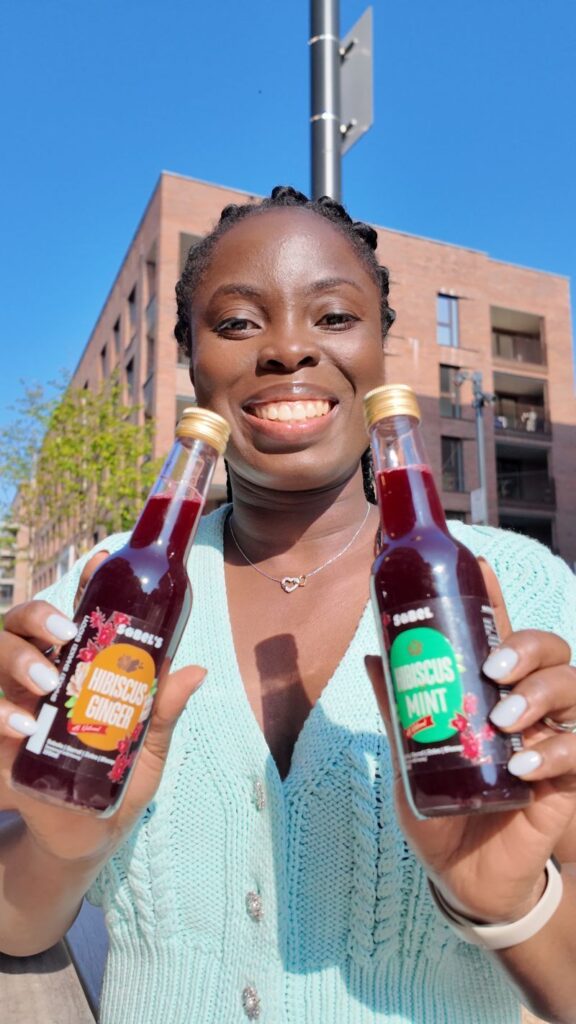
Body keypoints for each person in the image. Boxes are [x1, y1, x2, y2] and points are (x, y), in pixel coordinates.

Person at [1, 185, 576, 1024]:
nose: (288, 350)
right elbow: (17, 926)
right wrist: (59, 848)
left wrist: (506, 904)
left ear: (381, 351)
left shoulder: (521, 592)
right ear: (192, 363)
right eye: (237, 323)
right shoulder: (101, 598)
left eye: (335, 316)